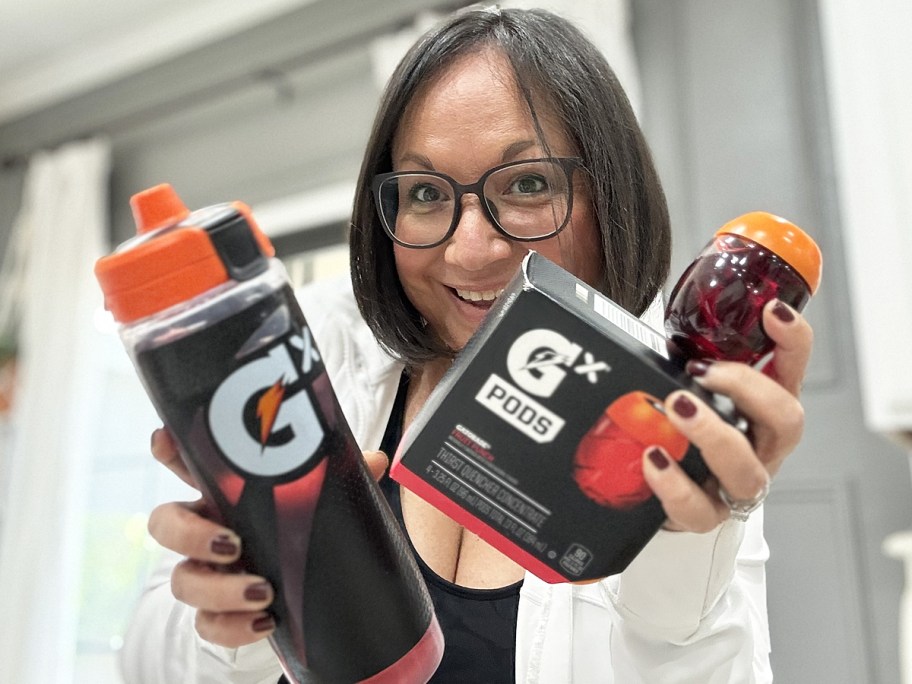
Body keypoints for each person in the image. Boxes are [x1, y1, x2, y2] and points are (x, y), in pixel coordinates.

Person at [120, 6, 812, 683]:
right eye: (424, 192)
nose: (470, 249)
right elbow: (146, 665)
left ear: (611, 196)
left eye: (529, 184)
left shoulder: (675, 427)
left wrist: (682, 563)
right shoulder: (318, 352)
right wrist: (241, 623)